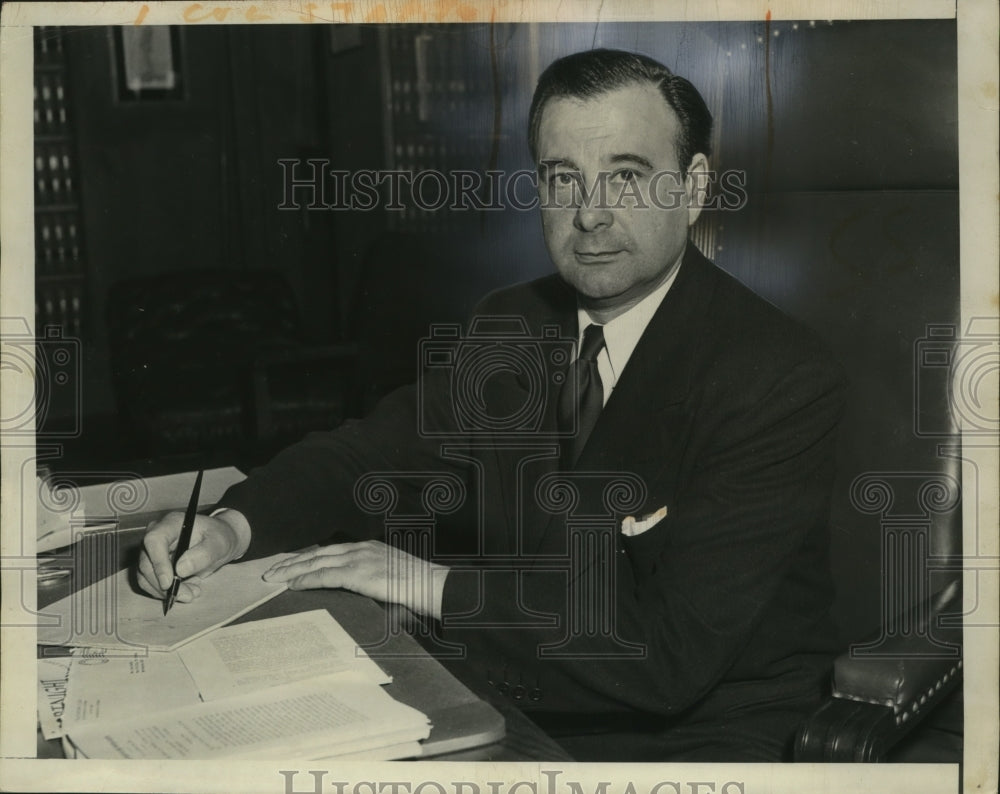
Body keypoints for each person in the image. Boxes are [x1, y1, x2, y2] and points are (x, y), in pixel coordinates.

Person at [138, 48, 846, 762]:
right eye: (562, 179)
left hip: (696, 739)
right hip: (515, 696)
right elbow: (369, 452)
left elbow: (665, 657)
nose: (591, 214)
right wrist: (233, 525)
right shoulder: (512, 323)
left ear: (692, 188)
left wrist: (432, 585)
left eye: (626, 176)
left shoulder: (774, 377)